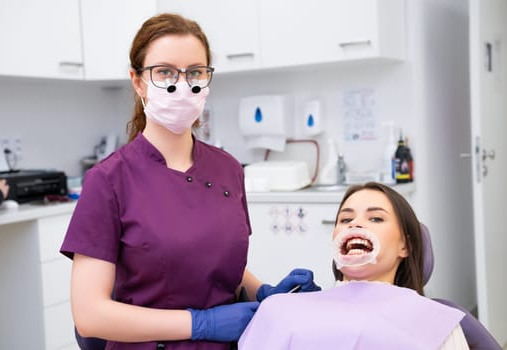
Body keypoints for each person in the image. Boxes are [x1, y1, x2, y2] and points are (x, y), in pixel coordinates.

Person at [60, 13, 320, 350]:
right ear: (138, 81)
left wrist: (265, 294)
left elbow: (214, 260)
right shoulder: (108, 181)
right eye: (165, 71)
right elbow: (91, 316)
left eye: (195, 72)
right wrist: (202, 323)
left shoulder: (227, 168)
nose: (182, 84)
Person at [238, 182, 470, 349]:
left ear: (405, 247)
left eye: (376, 218)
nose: (356, 224)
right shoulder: (279, 310)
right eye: (346, 219)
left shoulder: (434, 322)